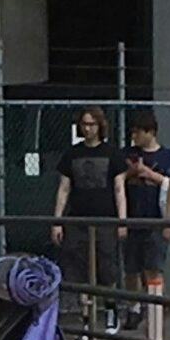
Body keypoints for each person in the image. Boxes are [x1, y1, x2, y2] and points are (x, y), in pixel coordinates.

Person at [51, 105, 125, 323]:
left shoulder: (112, 153)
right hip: (78, 219)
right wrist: (57, 221)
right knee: (80, 268)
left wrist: (122, 220)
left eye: (92, 124)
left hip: (105, 219)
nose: (88, 128)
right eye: (84, 124)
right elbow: (63, 189)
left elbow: (119, 189)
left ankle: (111, 309)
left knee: (107, 267)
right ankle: (86, 316)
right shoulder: (72, 154)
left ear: (100, 126)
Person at [119, 109, 170, 330]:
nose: (134, 137)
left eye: (138, 133)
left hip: (156, 219)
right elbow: (118, 182)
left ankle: (154, 308)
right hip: (133, 218)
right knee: (131, 268)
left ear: (150, 132)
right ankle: (134, 308)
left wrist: (149, 174)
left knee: (154, 267)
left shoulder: (166, 157)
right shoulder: (127, 155)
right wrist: (132, 172)